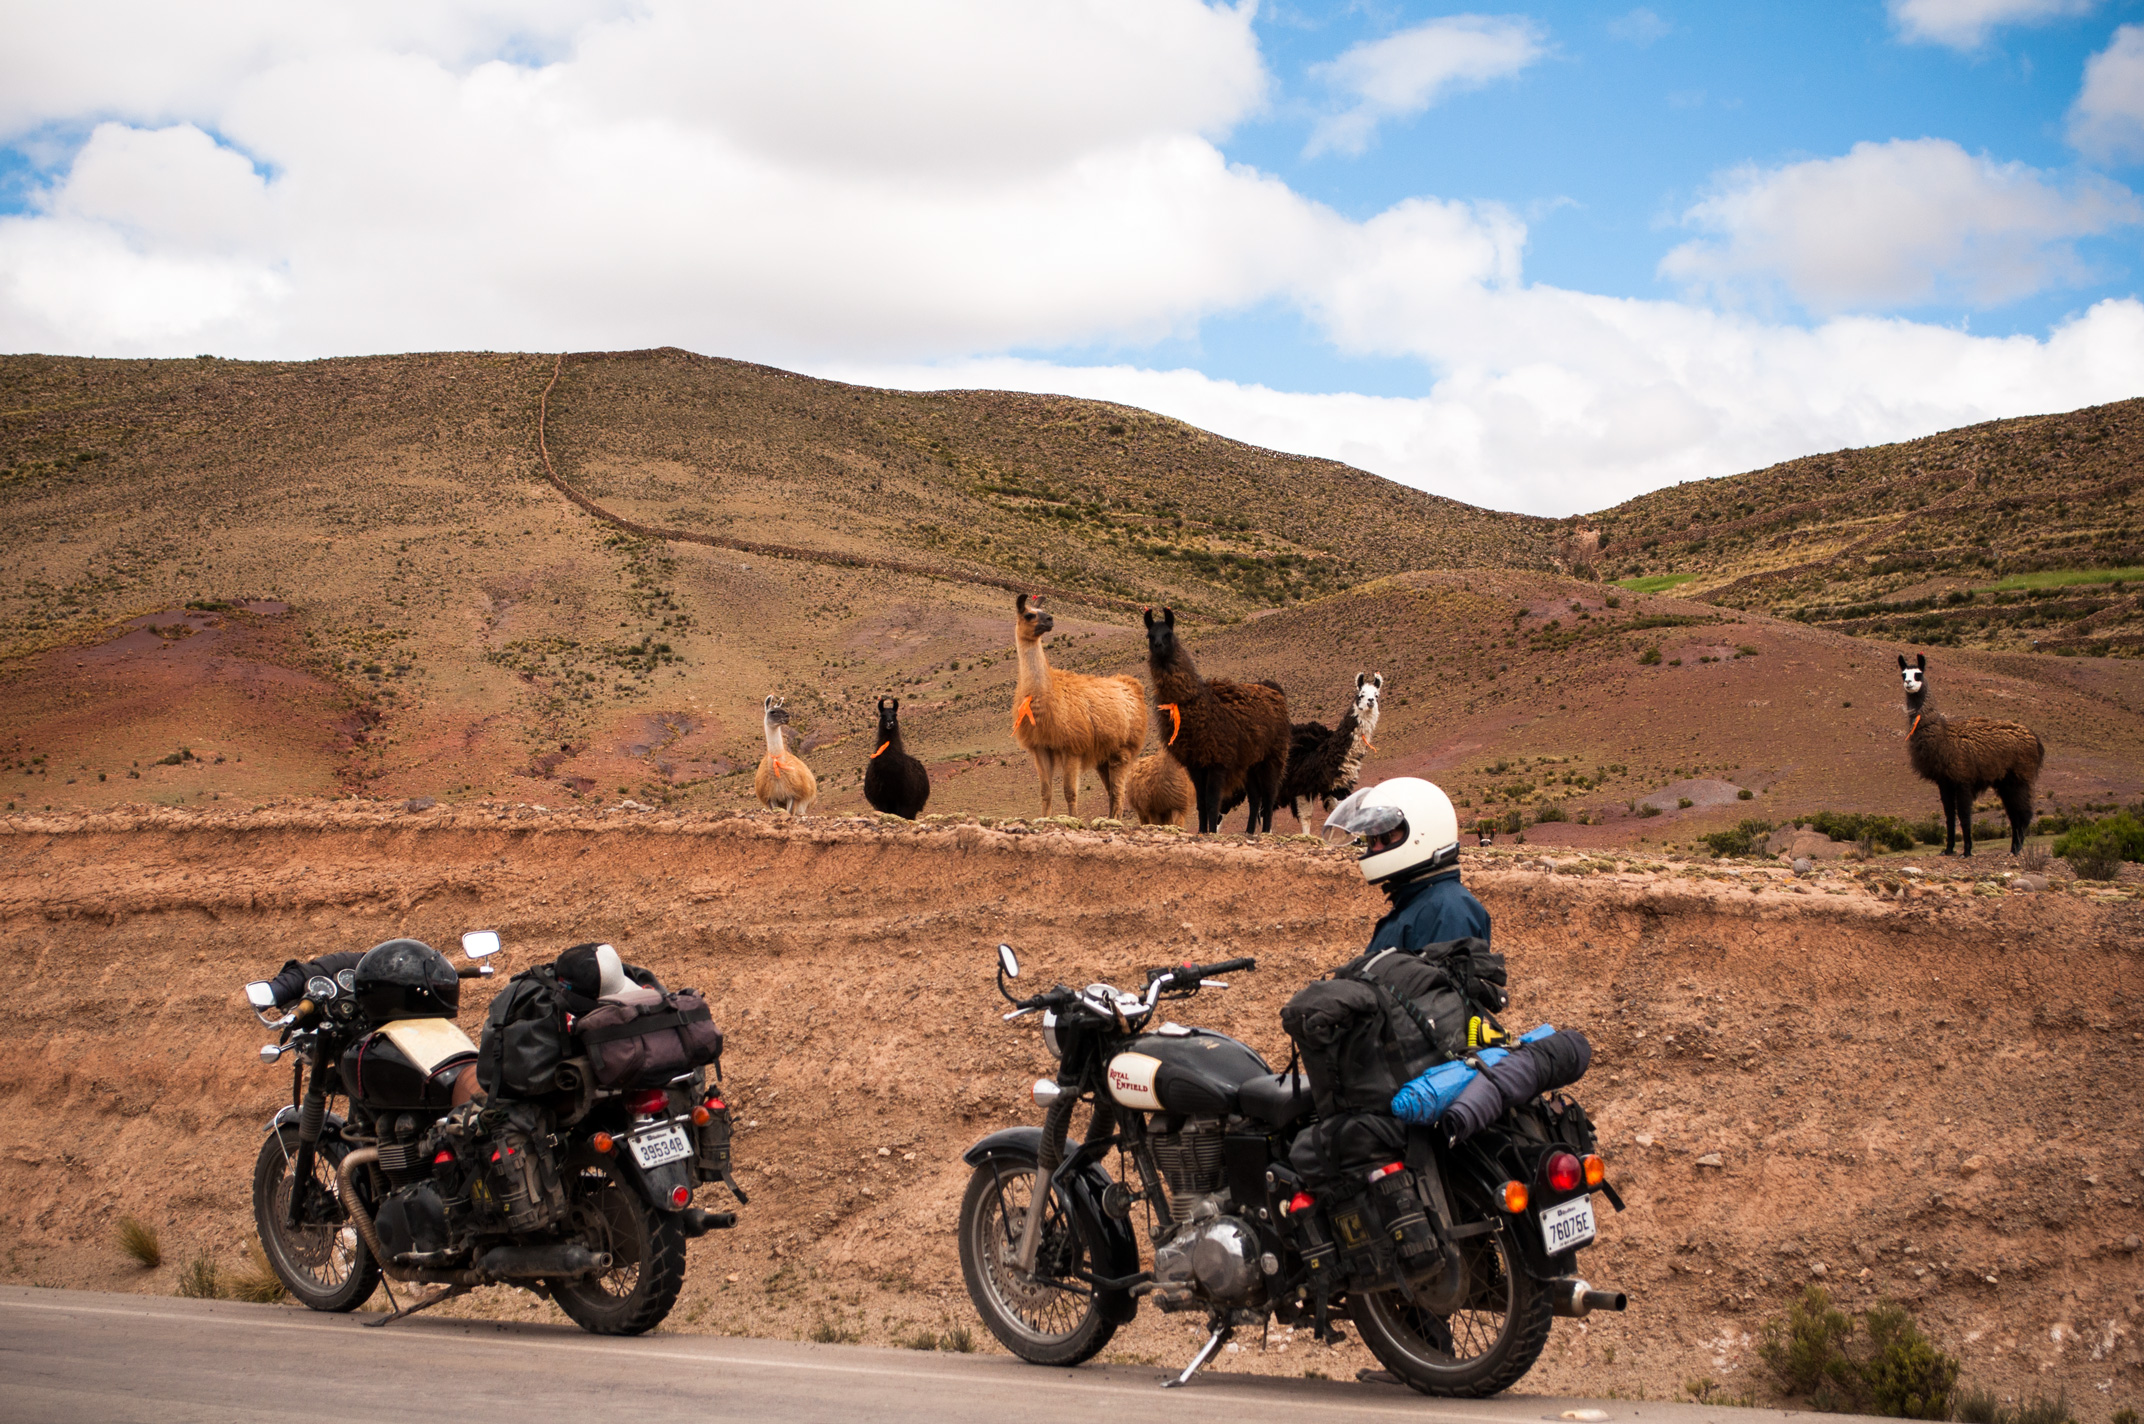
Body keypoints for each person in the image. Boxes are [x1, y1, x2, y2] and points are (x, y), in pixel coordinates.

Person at [1322, 776, 1489, 950]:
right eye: (1372, 839)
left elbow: (1438, 977)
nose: (1377, 847)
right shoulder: (1418, 902)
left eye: (1386, 837)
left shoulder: (1449, 913)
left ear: (1423, 833)